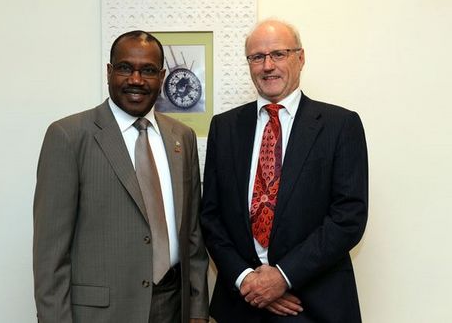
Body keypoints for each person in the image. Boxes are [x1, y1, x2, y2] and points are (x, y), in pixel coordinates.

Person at [33, 30, 209, 323]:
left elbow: (192, 234)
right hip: (102, 313)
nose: (136, 80)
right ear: (109, 72)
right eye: (126, 68)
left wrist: (198, 310)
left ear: (163, 77)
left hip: (173, 307)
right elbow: (50, 255)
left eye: (148, 71)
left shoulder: (182, 137)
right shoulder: (68, 136)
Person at [200, 19, 368, 322]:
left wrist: (282, 277)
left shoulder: (340, 125)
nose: (267, 65)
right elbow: (211, 217)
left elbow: (348, 218)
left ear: (300, 58)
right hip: (241, 306)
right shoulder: (224, 128)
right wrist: (247, 280)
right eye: (257, 57)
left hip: (314, 306)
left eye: (278, 54)